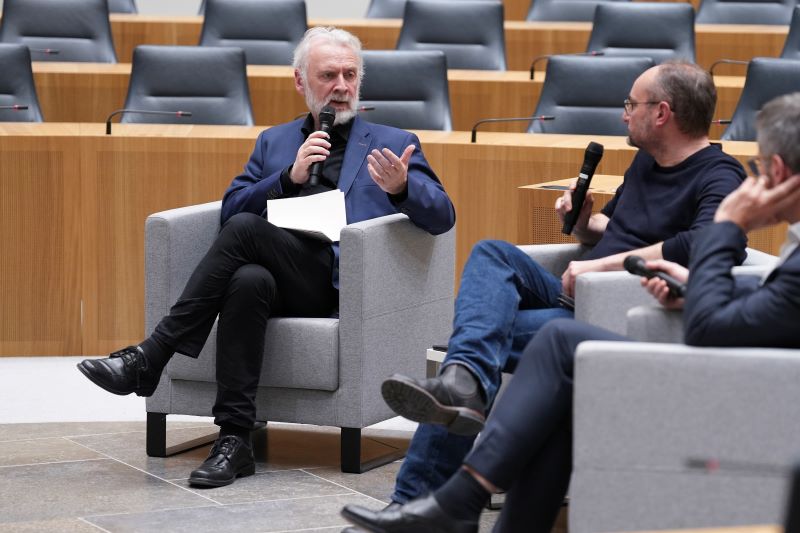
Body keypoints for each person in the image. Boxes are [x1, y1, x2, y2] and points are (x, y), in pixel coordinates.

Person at [341, 91, 800, 533]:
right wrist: (586, 224)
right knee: (491, 255)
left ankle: (426, 484)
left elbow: (711, 266)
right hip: (585, 291)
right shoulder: (646, 163)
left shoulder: (719, 176)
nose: (623, 115)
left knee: (493, 345)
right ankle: (462, 397)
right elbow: (624, 232)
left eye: (631, 105)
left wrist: (718, 229)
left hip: (622, 311)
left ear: (662, 113)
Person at [76, 27, 455, 488]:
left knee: (246, 234)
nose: (341, 86)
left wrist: (401, 188)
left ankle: (151, 356)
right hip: (277, 276)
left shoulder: (391, 141)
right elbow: (230, 210)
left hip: (338, 282)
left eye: (350, 75)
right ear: (300, 82)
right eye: (328, 75)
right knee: (247, 279)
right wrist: (288, 176)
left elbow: (443, 215)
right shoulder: (274, 142)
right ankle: (234, 441)